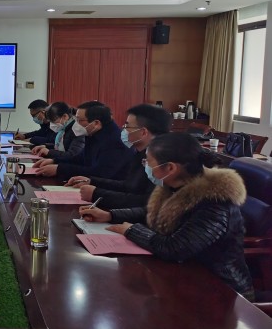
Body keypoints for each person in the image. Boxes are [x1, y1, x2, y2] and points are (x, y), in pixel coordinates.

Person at [79, 132, 254, 300]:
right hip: (182, 276)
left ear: (170, 167)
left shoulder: (215, 203)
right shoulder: (177, 185)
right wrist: (110, 215)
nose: (146, 166)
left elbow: (175, 248)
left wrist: (131, 230)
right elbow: (152, 212)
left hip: (220, 292)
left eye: (148, 162)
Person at [66, 104, 172, 209]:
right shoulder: (141, 153)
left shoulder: (160, 161)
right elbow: (128, 185)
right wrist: (91, 181)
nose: (123, 131)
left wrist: (97, 194)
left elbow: (145, 202)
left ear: (143, 132)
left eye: (127, 126)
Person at [33, 101, 130, 179]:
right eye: (76, 119)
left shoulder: (115, 141)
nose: (76, 123)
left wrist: (60, 169)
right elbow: (81, 158)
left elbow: (100, 172)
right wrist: (54, 161)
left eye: (79, 120)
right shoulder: (93, 133)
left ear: (96, 123)